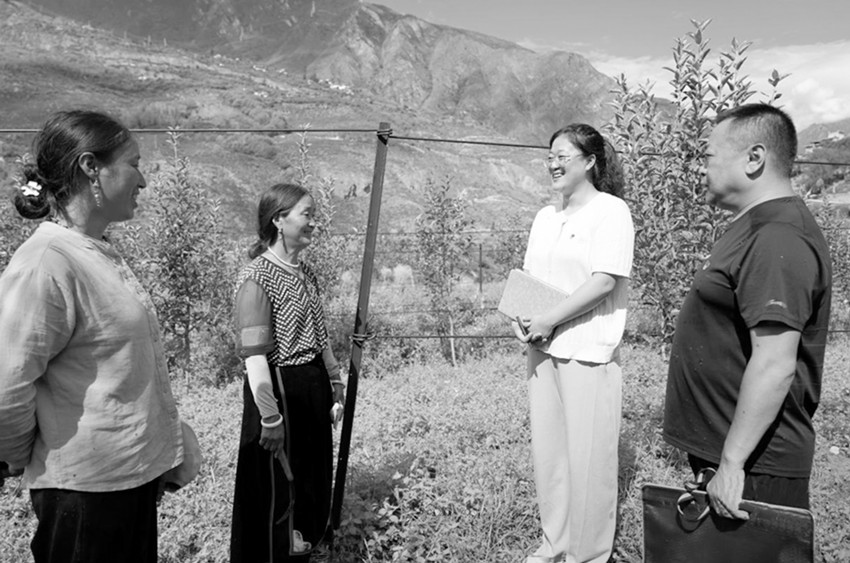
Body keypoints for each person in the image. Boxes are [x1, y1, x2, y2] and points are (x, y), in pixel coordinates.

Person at [0, 110, 185, 563]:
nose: (143, 180)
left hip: (124, 483)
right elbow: (7, 385)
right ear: (90, 167)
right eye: (134, 164)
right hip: (84, 495)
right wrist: (29, 455)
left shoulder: (93, 252)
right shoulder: (46, 261)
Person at [663, 103, 832, 518]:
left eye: (708, 156)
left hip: (756, 464)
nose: (700, 167)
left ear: (754, 158)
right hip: (732, 453)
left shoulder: (778, 236)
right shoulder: (754, 226)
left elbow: (775, 363)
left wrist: (732, 462)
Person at [514, 124, 634, 563]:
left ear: (590, 162)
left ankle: (589, 555)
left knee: (589, 461)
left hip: (587, 350)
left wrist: (549, 318)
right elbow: (529, 280)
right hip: (542, 349)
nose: (553, 163)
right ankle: (554, 545)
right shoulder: (545, 217)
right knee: (551, 457)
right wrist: (522, 319)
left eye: (563, 156)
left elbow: (603, 281)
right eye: (550, 156)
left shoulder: (611, 212)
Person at [230, 183, 345, 562]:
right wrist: (270, 416)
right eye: (306, 214)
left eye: (314, 215)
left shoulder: (306, 273)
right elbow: (255, 357)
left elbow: (319, 333)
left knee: (311, 481)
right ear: (279, 220)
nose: (314, 222)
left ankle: (304, 549)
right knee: (279, 489)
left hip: (311, 387)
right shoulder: (257, 279)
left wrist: (334, 380)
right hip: (279, 391)